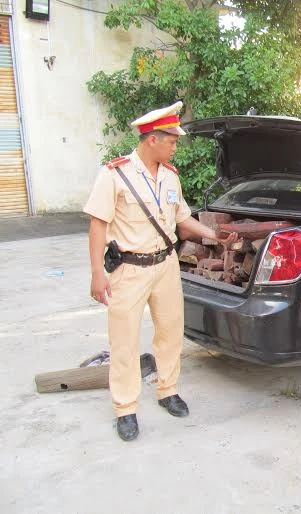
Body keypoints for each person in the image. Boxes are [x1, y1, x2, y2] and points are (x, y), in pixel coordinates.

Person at [84, 101, 238, 441]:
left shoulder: (170, 176)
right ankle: (125, 408)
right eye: (171, 140)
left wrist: (214, 235)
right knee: (123, 341)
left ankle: (167, 390)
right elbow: (98, 225)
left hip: (166, 265)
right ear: (152, 139)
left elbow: (182, 220)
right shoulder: (115, 174)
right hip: (129, 269)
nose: (175, 146)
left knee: (170, 332)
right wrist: (97, 273)